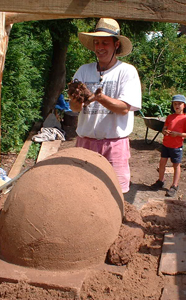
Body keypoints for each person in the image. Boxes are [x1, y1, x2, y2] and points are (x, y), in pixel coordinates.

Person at [69, 18, 142, 193]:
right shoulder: (83, 70)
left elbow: (124, 108)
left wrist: (100, 98)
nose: (99, 47)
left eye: (105, 42)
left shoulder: (127, 71)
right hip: (85, 143)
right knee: (82, 189)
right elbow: (74, 109)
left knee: (114, 192)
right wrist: (75, 100)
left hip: (114, 144)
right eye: (96, 42)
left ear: (116, 45)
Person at [150, 94, 186, 197]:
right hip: (166, 144)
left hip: (176, 147)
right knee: (162, 163)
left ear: (184, 105)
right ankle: (161, 181)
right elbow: (163, 129)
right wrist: (165, 131)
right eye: (175, 104)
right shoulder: (170, 117)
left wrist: (177, 134)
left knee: (176, 165)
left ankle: (174, 185)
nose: (177, 106)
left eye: (179, 104)